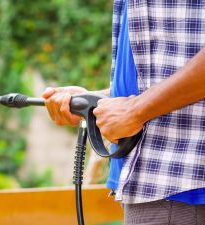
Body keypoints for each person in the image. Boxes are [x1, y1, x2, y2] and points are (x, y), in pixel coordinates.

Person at [42, 0, 205, 224]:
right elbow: (155, 75)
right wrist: (98, 99)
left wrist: (135, 111)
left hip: (184, 185)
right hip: (155, 185)